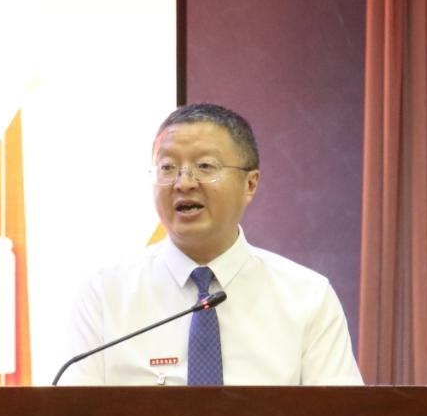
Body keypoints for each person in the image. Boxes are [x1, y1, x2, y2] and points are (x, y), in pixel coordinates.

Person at [59, 103, 363, 386]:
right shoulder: (105, 295)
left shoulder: (307, 297)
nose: (184, 183)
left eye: (205, 166)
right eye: (167, 167)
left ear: (250, 184)